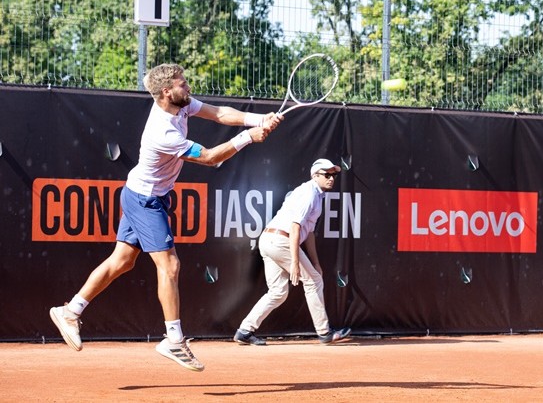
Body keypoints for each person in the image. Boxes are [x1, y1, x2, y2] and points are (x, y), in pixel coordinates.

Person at [49, 63, 283, 372]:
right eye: (182, 84)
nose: (188, 87)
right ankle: (173, 339)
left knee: (122, 261)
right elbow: (212, 158)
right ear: (166, 92)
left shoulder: (181, 105)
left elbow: (218, 114)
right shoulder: (164, 132)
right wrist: (249, 138)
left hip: (147, 194)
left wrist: (257, 119)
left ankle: (70, 310)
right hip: (144, 199)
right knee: (170, 265)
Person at [234, 158, 351, 346]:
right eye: (327, 174)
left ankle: (245, 331)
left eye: (334, 175)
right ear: (315, 176)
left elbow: (309, 233)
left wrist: (316, 262)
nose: (331, 178)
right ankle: (325, 332)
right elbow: (295, 227)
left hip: (269, 240)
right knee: (313, 281)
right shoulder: (309, 193)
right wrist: (295, 262)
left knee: (278, 292)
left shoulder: (316, 195)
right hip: (282, 240)